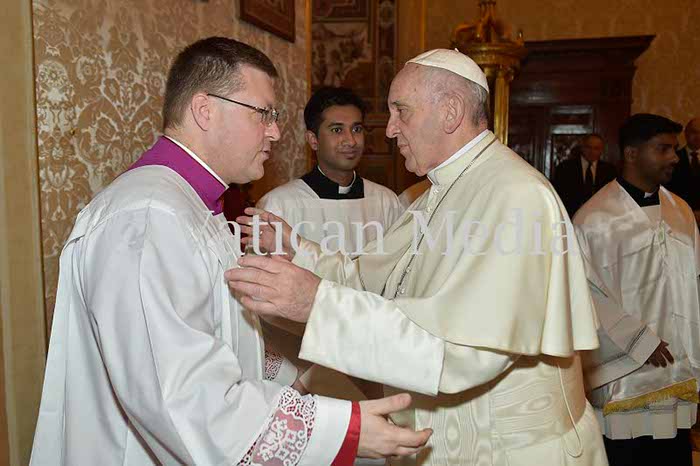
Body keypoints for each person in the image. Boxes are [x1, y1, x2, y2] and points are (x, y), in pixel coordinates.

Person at [29, 37, 431, 466]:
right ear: (205, 110)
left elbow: (218, 335)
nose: (276, 131)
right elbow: (183, 400)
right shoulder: (146, 218)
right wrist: (340, 432)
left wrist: (300, 379)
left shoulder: (191, 205)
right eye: (264, 114)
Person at [226, 49, 608, 466]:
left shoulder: (515, 195)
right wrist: (298, 249)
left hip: (512, 452)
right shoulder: (435, 193)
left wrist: (317, 303)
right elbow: (371, 279)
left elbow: (464, 349)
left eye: (401, 111)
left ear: (451, 112)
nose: (390, 130)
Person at [574, 113, 700, 466]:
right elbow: (582, 294)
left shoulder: (681, 211)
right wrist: (637, 339)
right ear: (631, 153)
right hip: (626, 378)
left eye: (673, 149)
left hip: (678, 371)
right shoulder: (594, 219)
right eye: (663, 149)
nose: (674, 158)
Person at [553, 134, 617, 217]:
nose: (592, 151)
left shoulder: (609, 170)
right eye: (588, 147)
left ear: (601, 150)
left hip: (600, 216)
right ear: (582, 148)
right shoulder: (565, 168)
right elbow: (559, 194)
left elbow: (612, 196)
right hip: (571, 215)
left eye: (596, 148)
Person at [666, 117, 700, 222]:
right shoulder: (672, 158)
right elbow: (668, 191)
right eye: (694, 132)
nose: (698, 136)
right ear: (686, 133)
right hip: (679, 217)